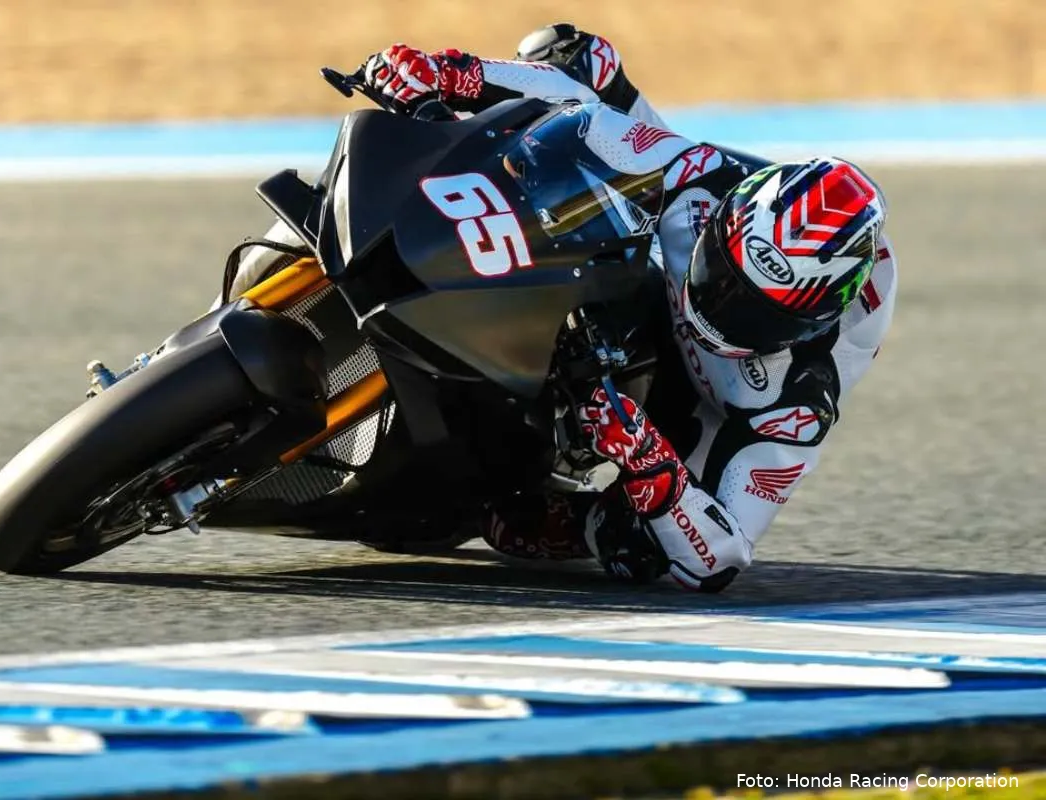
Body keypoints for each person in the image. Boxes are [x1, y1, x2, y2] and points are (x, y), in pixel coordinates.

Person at [227, 24, 898, 592]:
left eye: (754, 312)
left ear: (806, 321)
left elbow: (722, 555)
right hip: (658, 241)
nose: (721, 306)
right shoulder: (703, 178)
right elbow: (580, 106)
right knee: (572, 55)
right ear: (728, 221)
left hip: (696, 400)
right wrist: (450, 75)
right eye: (722, 275)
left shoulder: (798, 398)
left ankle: (567, 501)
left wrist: (648, 463)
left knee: (630, 549)